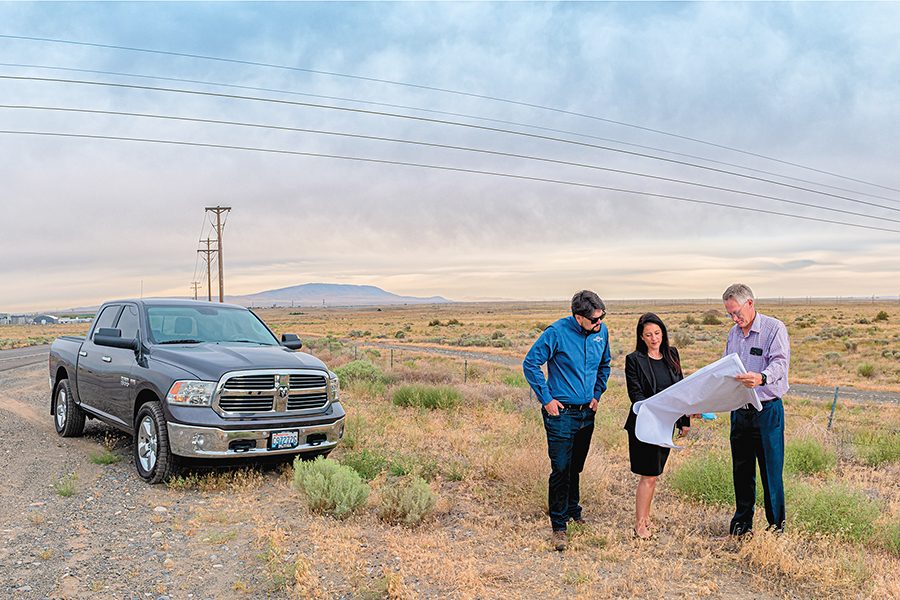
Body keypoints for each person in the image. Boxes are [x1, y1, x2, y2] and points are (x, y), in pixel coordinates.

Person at [523, 290, 611, 551]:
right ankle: (559, 526)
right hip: (561, 414)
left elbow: (605, 365)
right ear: (578, 316)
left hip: (587, 412)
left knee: (576, 466)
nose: (599, 323)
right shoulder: (556, 333)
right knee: (561, 468)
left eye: (602, 317)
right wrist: (547, 399)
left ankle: (573, 510)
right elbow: (531, 364)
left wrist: (597, 394)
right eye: (594, 319)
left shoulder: (602, 332)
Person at [722, 283, 790, 536]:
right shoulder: (733, 334)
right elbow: (726, 366)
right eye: (730, 314)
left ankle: (776, 527)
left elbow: (780, 363)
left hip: (767, 412)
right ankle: (742, 524)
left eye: (737, 312)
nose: (734, 318)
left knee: (771, 472)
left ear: (750, 303)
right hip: (740, 411)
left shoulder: (774, 328)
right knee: (741, 470)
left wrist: (761, 377)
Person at [624, 313, 690, 539]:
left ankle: (645, 518)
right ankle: (640, 525)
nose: (654, 339)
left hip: (666, 423)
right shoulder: (634, 360)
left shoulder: (672, 354)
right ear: (641, 337)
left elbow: (681, 389)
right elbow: (636, 395)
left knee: (655, 474)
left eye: (657, 333)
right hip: (645, 424)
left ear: (663, 333)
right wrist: (658, 411)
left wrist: (684, 420)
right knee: (649, 475)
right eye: (649, 335)